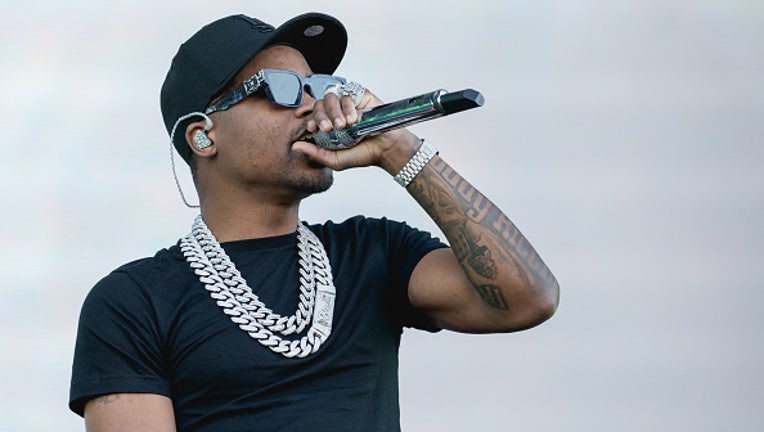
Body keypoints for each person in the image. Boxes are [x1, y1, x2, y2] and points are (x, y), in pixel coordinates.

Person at [69, 11, 559, 432]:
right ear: (203, 136)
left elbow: (528, 300)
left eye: (317, 87)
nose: (313, 105)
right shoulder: (132, 303)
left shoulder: (375, 251)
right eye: (280, 90)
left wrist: (400, 150)